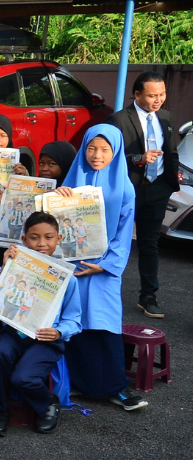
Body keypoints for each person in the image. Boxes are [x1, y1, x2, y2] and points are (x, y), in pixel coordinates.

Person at [59, 125, 146, 412]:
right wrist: (57, 199)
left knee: (104, 325)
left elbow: (123, 235)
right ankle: (77, 383)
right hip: (71, 266)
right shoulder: (70, 182)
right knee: (74, 322)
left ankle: (115, 388)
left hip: (103, 270)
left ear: (116, 151)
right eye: (91, 148)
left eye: (105, 150)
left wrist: (106, 266)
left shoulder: (125, 189)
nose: (97, 155)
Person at [0, 212, 82, 435]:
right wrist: (5, 268)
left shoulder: (67, 278)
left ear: (59, 239)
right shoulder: (14, 269)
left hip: (45, 340)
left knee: (23, 378)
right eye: (34, 237)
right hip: (14, 333)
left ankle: (47, 403)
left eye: (48, 237)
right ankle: (0, 410)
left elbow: (74, 320)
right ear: (24, 240)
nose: (41, 243)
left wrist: (58, 332)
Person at [105, 71, 179, 319]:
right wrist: (137, 159)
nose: (158, 100)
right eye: (152, 95)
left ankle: (148, 296)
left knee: (149, 244)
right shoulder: (117, 120)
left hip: (157, 189)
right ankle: (103, 290)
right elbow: (107, 159)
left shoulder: (166, 118)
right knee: (114, 241)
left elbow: (172, 152)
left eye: (162, 94)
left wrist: (172, 177)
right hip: (127, 189)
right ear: (137, 94)